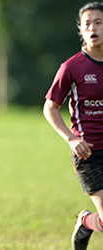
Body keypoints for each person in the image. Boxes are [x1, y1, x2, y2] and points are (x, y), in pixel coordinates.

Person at [43, 2, 103, 250]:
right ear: (80, 29)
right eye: (87, 23)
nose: (93, 28)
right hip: (88, 152)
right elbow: (50, 108)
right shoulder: (71, 67)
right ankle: (87, 222)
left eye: (98, 22)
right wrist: (71, 139)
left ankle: (89, 222)